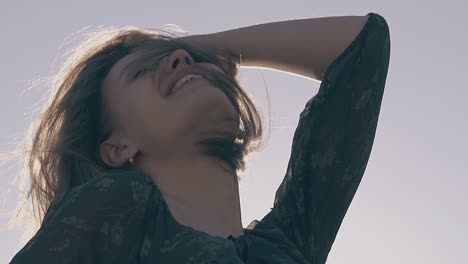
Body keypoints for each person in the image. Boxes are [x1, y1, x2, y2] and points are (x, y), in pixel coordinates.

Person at [9, 11, 390, 263]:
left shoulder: (290, 241)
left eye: (185, 57)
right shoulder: (119, 206)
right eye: (143, 71)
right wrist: (188, 57)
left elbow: (363, 46)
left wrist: (207, 49)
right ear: (118, 147)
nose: (180, 60)